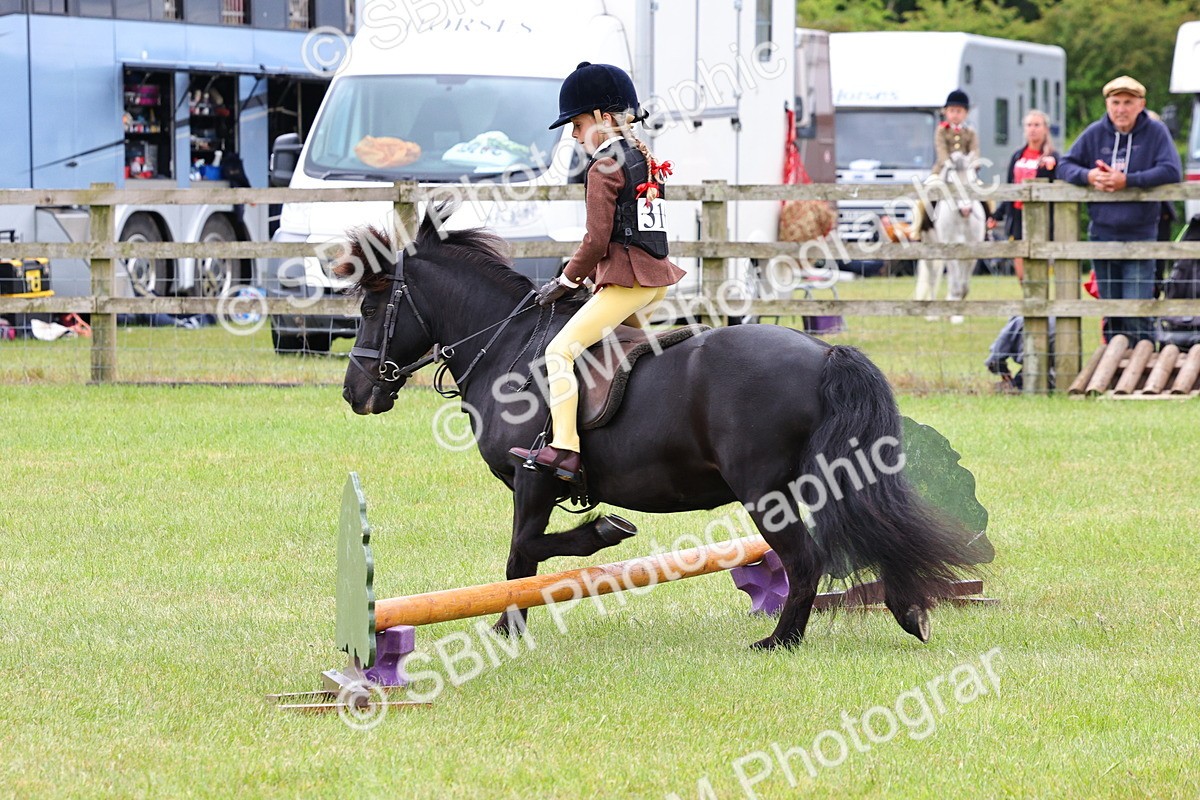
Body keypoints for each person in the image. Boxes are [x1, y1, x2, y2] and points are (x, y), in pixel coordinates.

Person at [509, 62, 686, 482]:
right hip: (653, 282)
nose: (573, 135)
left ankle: (565, 449)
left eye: (577, 124)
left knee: (559, 352)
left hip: (628, 284)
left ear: (603, 118)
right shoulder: (643, 157)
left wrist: (566, 280)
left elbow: (596, 240)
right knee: (617, 354)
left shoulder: (603, 165)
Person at [1057, 75, 1182, 344]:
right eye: (1116, 102)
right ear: (1107, 104)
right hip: (1102, 233)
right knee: (1111, 310)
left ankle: (1142, 362)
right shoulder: (1094, 133)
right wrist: (1089, 175)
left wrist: (1128, 180)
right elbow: (1064, 165)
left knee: (1137, 309)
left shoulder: (1156, 132)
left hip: (1140, 233)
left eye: (1128, 102)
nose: (1121, 109)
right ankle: (1114, 363)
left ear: (1141, 105)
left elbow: (1171, 170)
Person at [994, 110, 1057, 281]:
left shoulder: (1052, 157)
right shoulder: (1017, 156)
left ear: (1045, 129)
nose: (1032, 129)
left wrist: (1049, 168)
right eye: (1029, 125)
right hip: (1017, 215)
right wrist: (997, 214)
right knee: (1021, 271)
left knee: (1039, 268)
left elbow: (1057, 184)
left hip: (1041, 216)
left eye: (1037, 125)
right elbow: (1010, 188)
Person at [909, 89, 979, 236]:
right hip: (943, 171)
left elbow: (975, 150)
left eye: (959, 111)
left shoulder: (970, 132)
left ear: (965, 113)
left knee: (987, 196)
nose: (955, 114)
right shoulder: (941, 130)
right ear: (946, 112)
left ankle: (987, 225)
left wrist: (974, 163)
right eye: (952, 111)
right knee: (923, 197)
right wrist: (948, 164)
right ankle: (918, 229)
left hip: (965, 172)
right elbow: (941, 150)